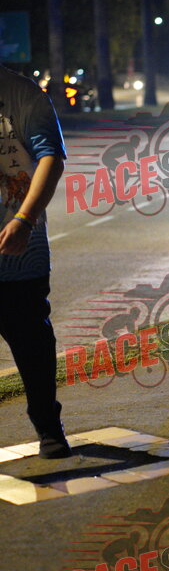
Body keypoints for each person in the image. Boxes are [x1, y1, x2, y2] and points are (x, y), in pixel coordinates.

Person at [0, 64, 70, 458]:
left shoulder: (23, 95)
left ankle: (48, 426)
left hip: (17, 252)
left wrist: (24, 220)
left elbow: (51, 157)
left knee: (32, 345)